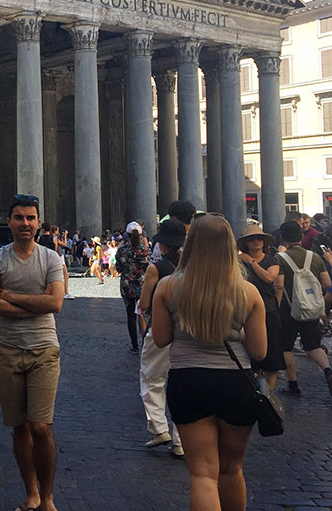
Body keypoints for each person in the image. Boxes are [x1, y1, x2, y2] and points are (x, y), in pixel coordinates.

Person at [151, 214, 267, 511]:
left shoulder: (167, 287)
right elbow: (259, 351)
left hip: (189, 381)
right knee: (231, 469)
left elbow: (161, 339)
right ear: (230, 246)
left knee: (202, 474)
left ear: (191, 245)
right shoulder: (248, 291)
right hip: (236, 382)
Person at [0, 194, 65, 511]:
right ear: (9, 222)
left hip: (44, 349)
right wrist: (35, 305)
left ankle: (48, 497)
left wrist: (12, 298)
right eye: (19, 217)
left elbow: (55, 304)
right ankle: (31, 494)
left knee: (41, 427)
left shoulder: (51, 258)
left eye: (31, 218)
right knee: (19, 427)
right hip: (8, 350)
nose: (25, 223)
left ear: (38, 222)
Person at [137, 218, 187, 458]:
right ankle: (180, 442)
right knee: (180, 384)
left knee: (151, 377)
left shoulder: (156, 269)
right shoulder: (193, 267)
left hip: (160, 329)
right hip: (188, 332)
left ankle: (159, 428)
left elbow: (145, 303)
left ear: (163, 245)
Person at [276, 220, 332, 397]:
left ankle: (293, 384)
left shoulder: (280, 258)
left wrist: (275, 308)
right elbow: (327, 283)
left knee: (286, 348)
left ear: (282, 238)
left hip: (288, 311)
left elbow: (279, 285)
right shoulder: (315, 257)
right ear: (302, 236)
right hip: (310, 309)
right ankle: (328, 371)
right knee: (313, 346)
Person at [235, 224, 284, 391]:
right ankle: (253, 390)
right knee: (249, 355)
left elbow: (270, 278)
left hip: (268, 311)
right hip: (245, 311)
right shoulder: (238, 262)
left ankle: (269, 395)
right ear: (245, 243)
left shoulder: (271, 260)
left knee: (271, 357)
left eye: (259, 238)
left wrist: (252, 263)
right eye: (251, 239)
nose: (256, 241)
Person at [116, 222, 150, 353]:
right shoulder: (145, 250)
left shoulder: (122, 250)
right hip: (143, 285)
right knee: (144, 314)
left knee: (131, 315)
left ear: (127, 236)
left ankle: (134, 344)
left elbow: (118, 268)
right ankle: (145, 342)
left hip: (127, 285)